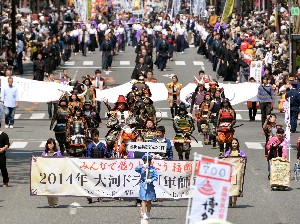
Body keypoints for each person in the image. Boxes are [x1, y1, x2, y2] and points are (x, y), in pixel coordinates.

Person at [86, 129, 112, 203]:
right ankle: (90, 195)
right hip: (92, 166)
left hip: (100, 166)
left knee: (100, 181)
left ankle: (100, 195)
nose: (95, 137)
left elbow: (107, 154)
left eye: (96, 136)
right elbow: (88, 156)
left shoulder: (102, 145)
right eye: (93, 136)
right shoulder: (90, 146)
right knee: (91, 181)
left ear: (98, 136)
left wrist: (111, 152)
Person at [135, 154, 158, 220]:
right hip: (143, 185)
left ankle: (148, 212)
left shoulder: (153, 169)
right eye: (145, 161)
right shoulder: (142, 168)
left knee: (149, 200)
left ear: (150, 162)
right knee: (143, 200)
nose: (147, 162)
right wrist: (143, 166)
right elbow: (136, 169)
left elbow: (156, 177)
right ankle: (144, 213)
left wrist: (151, 179)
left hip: (150, 186)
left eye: (148, 161)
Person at [224, 138, 246, 207]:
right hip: (230, 172)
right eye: (233, 143)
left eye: (235, 143)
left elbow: (244, 158)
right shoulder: (228, 152)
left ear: (238, 144)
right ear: (231, 144)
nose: (234, 145)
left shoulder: (240, 152)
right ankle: (230, 200)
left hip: (237, 172)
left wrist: (243, 157)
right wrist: (226, 157)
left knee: (236, 186)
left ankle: (235, 202)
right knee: (230, 186)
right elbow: (224, 159)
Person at [41, 138, 62, 207]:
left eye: (52, 144)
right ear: (47, 145)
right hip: (47, 173)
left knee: (55, 188)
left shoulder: (58, 153)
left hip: (55, 172)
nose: (50, 145)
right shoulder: (44, 154)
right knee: (48, 188)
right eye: (49, 144)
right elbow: (40, 162)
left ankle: (55, 202)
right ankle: (50, 202)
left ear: (54, 145)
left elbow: (62, 162)